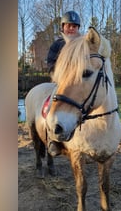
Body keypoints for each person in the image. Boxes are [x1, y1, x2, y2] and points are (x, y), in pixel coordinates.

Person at [46, 10, 81, 156]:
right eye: (68, 25)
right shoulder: (57, 45)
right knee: (49, 105)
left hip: (79, 83)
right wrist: (61, 77)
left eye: (74, 26)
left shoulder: (83, 43)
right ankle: (53, 139)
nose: (71, 28)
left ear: (78, 27)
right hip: (61, 82)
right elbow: (50, 65)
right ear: (63, 27)